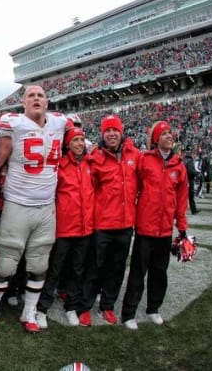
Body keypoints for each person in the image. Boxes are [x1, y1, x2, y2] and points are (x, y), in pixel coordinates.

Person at [0, 85, 69, 334]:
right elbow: (2, 155)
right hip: (17, 203)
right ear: (24, 103)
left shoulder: (61, 123)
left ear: (47, 102)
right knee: (6, 263)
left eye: (41, 95)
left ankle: (28, 313)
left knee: (40, 263)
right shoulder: (13, 122)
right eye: (31, 95)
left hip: (45, 206)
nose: (36, 98)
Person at [122, 121, 188, 330]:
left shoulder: (179, 165)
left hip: (165, 228)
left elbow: (182, 197)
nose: (170, 136)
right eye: (165, 133)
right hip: (145, 227)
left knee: (160, 271)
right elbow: (133, 188)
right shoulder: (145, 160)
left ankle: (153, 308)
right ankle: (128, 313)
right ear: (156, 139)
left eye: (171, 133)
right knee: (138, 272)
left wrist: (182, 225)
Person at [79, 115, 140, 326]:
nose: (112, 134)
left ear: (121, 132)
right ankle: (85, 307)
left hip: (125, 225)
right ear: (102, 134)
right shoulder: (95, 158)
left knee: (116, 268)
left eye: (115, 130)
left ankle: (107, 306)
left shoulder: (135, 155)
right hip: (102, 225)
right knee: (94, 268)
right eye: (107, 131)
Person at [35, 126, 94, 328]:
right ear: (67, 144)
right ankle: (42, 309)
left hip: (85, 228)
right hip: (63, 228)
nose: (79, 144)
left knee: (77, 271)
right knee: (54, 270)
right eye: (75, 140)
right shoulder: (60, 165)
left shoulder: (90, 163)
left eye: (81, 140)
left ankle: (71, 307)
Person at [183, 148, 199, 214]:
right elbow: (191, 171)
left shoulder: (183, 160)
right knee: (191, 196)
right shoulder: (190, 161)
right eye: (194, 154)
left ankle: (181, 210)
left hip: (184, 180)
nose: (195, 156)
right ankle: (194, 210)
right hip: (189, 180)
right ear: (192, 154)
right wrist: (196, 173)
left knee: (183, 196)